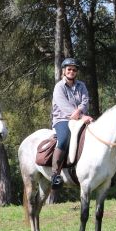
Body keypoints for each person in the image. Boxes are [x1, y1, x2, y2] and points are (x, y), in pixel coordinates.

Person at [50, 58, 92, 189]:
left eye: (74, 70)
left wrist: (80, 111)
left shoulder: (82, 86)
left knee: (93, 135)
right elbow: (64, 106)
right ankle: (55, 174)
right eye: (69, 69)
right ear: (64, 71)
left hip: (80, 118)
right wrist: (81, 115)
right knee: (63, 139)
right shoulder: (59, 87)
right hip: (62, 119)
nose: (71, 72)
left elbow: (85, 101)